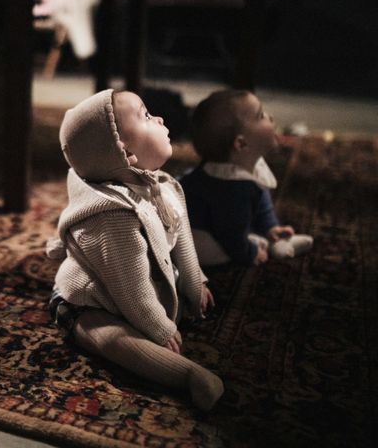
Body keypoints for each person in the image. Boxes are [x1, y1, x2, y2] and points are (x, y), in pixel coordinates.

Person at [46, 89, 224, 411]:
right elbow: (133, 290)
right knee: (113, 339)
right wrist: (159, 326)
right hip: (88, 301)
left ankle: (166, 319)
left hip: (138, 283)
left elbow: (182, 240)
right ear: (124, 153)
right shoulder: (115, 219)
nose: (159, 118)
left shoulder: (165, 185)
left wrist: (195, 282)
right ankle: (187, 376)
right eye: (145, 116)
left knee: (174, 292)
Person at [180, 89, 313, 267]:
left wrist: (270, 226)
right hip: (197, 233)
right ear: (241, 144)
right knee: (217, 247)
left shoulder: (246, 167)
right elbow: (230, 235)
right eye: (261, 116)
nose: (270, 116)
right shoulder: (232, 191)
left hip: (223, 224)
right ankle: (267, 244)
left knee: (242, 224)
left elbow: (261, 198)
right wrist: (250, 253)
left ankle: (269, 237)